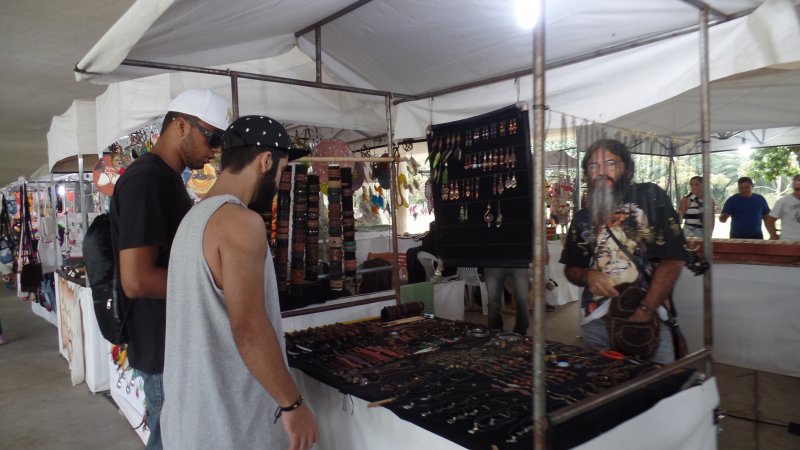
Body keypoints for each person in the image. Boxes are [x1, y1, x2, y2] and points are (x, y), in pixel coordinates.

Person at [161, 115, 319, 449]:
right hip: (229, 426)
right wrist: (293, 404)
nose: (278, 182)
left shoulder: (193, 219)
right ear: (266, 160)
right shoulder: (240, 222)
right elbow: (249, 326)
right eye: (281, 170)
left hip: (188, 421)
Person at [110, 89, 229, 450]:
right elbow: (137, 279)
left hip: (172, 344)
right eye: (212, 138)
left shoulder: (166, 178)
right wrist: (213, 284)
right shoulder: (147, 179)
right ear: (180, 126)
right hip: (162, 348)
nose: (215, 151)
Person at [560, 139, 688, 364]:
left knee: (658, 381)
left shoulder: (650, 196)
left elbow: (674, 260)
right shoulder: (583, 217)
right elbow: (572, 268)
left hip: (651, 318)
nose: (601, 172)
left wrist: (644, 312)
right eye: (593, 166)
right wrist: (587, 276)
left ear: (627, 169)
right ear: (587, 174)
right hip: (598, 322)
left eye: (610, 163)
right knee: (602, 381)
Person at [484, 267, 530, 334]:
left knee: (522, 303)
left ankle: (520, 336)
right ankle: (494, 335)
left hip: (520, 264)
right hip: (493, 264)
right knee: (493, 304)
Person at [765, 173, 800, 241]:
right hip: (788, 242)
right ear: (793, 187)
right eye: (797, 189)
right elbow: (769, 220)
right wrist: (773, 235)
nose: (799, 192)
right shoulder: (783, 201)